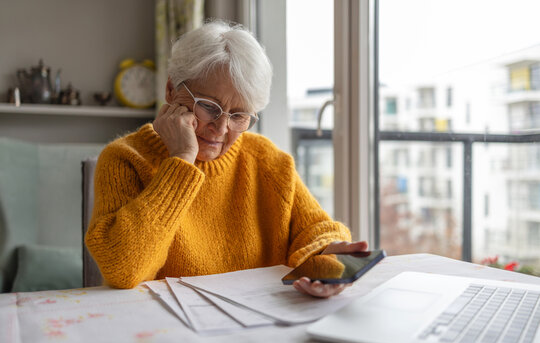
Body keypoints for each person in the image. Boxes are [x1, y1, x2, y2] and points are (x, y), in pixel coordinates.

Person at [85, 20, 367, 298]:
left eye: (239, 115)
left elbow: (316, 230)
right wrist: (182, 161)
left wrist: (327, 254)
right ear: (171, 91)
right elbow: (123, 269)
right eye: (209, 106)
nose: (221, 128)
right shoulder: (124, 159)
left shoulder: (267, 161)